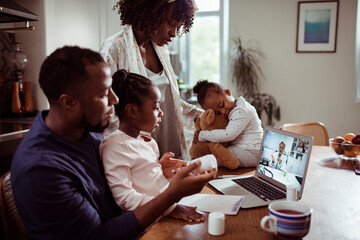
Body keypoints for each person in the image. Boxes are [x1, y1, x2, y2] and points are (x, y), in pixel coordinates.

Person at [10, 46, 215, 239]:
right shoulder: (41, 170)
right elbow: (99, 236)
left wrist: (152, 169)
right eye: (103, 94)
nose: (115, 100)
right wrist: (171, 196)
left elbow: (113, 179)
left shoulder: (84, 130)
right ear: (68, 102)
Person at [99, 0, 203, 160]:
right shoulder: (114, 48)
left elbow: (170, 102)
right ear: (151, 13)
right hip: (136, 158)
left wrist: (202, 117)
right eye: (171, 24)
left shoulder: (161, 49)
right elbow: (107, 111)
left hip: (172, 152)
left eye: (179, 27)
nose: (174, 34)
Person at [100, 70, 207, 222]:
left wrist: (163, 172)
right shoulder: (114, 146)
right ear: (132, 111)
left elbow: (147, 181)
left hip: (166, 211)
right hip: (149, 222)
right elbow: (125, 199)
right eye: (156, 107)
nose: (161, 113)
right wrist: (170, 208)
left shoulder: (147, 141)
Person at [192, 80, 263, 168]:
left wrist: (202, 135)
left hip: (253, 153)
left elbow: (228, 134)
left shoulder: (241, 110)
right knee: (211, 153)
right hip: (241, 149)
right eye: (217, 113)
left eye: (221, 105)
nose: (223, 112)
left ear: (228, 92)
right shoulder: (232, 109)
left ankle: (192, 167)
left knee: (212, 158)